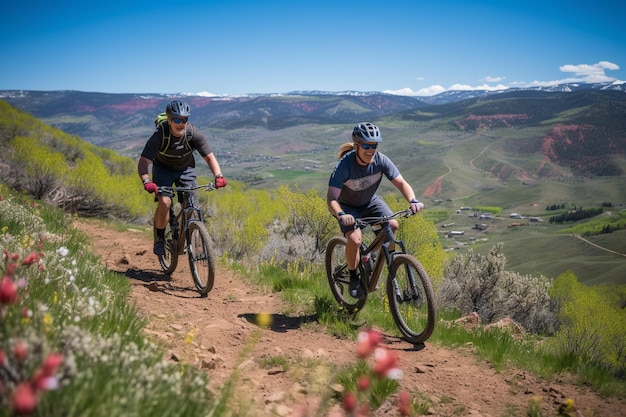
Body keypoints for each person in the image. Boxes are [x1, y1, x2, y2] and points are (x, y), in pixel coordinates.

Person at [326, 122, 423, 299]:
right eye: (366, 146)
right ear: (356, 146)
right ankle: (354, 276)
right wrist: (341, 214)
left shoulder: (381, 160)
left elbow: (401, 182)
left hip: (369, 202)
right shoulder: (344, 166)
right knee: (354, 239)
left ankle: (367, 256)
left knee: (392, 226)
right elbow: (331, 198)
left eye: (374, 145)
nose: (371, 150)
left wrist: (413, 200)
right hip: (347, 207)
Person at [138, 100, 227, 256]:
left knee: (192, 208)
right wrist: (147, 181)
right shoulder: (160, 135)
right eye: (177, 120)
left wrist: (218, 176)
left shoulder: (193, 133)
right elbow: (144, 162)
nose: (181, 124)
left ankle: (190, 242)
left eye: (184, 120)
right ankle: (159, 238)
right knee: (165, 202)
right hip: (162, 170)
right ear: (169, 119)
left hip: (185, 170)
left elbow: (209, 157)